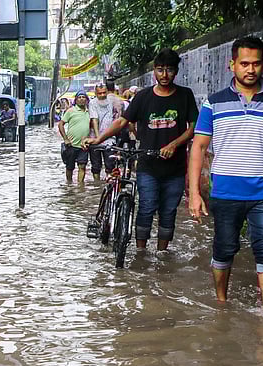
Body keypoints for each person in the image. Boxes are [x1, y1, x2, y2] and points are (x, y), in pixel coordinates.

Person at [188, 36, 263, 315]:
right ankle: (221, 303)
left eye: (256, 63)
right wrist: (194, 194)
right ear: (232, 64)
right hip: (225, 192)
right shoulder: (213, 103)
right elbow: (198, 147)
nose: (251, 70)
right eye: (244, 63)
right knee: (224, 250)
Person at [92, 49, 198, 252]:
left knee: (169, 212)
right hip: (147, 166)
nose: (164, 75)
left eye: (169, 70)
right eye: (160, 70)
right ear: (154, 72)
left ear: (176, 71)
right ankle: (141, 253)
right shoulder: (143, 97)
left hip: (175, 168)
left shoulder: (185, 95)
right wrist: (99, 138)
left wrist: (174, 144)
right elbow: (123, 121)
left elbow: (193, 128)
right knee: (146, 207)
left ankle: (162, 253)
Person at [87, 82, 124, 178]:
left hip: (109, 139)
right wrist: (98, 137)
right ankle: (97, 186)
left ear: (107, 92)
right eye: (100, 93)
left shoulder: (112, 102)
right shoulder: (92, 103)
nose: (102, 95)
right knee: (96, 166)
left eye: (104, 93)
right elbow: (94, 119)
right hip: (94, 139)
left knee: (110, 165)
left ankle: (110, 185)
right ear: (96, 93)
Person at [57, 91, 95, 184]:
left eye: (83, 97)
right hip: (71, 144)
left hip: (84, 145)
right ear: (76, 100)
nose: (81, 99)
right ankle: (69, 184)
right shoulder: (71, 111)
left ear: (87, 100)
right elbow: (60, 124)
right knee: (69, 167)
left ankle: (80, 186)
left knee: (82, 166)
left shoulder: (90, 112)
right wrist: (65, 139)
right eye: (79, 97)